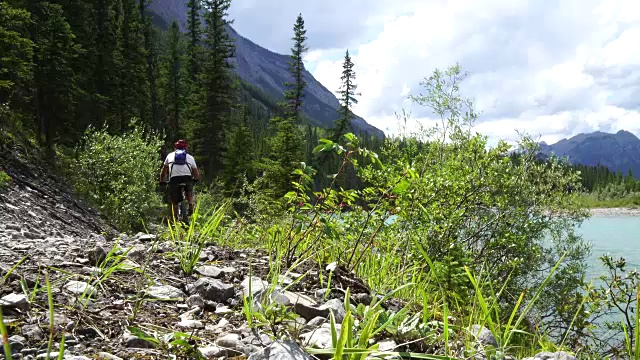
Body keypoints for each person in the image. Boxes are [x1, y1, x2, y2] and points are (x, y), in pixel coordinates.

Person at [159, 139, 200, 219]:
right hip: (187, 178)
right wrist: (196, 179)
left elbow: (163, 171)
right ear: (186, 148)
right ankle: (191, 204)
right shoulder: (190, 157)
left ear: (175, 147)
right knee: (189, 190)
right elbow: (195, 172)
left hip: (174, 179)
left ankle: (175, 219)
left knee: (174, 201)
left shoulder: (170, 156)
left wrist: (161, 181)